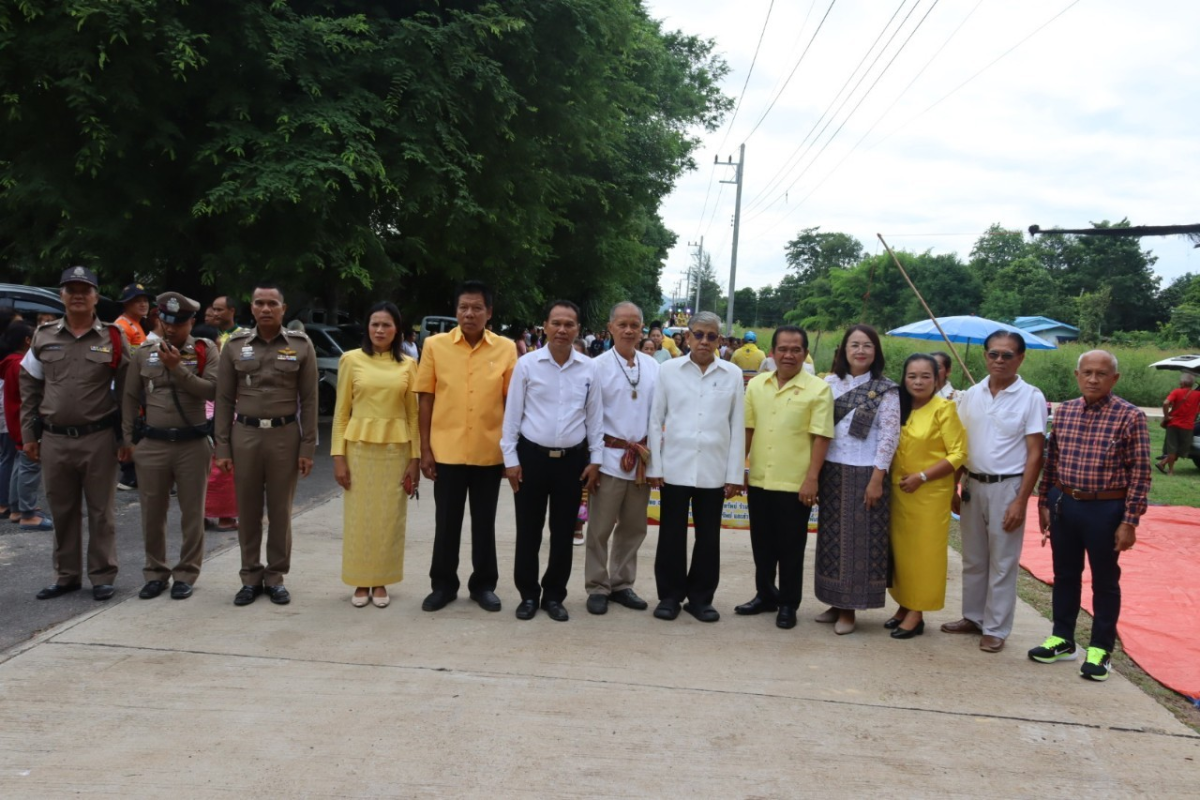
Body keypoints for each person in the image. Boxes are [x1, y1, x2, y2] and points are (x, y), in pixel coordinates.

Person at [1030, 350, 1150, 682]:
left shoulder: (1130, 416)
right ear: (1077, 374)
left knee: (1104, 581)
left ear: (1115, 378)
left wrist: (1130, 521)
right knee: (1064, 574)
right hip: (1064, 503)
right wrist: (1043, 501)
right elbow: (1051, 461)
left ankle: (1099, 648)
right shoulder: (1065, 412)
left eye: (1101, 373)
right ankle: (1062, 638)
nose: (1093, 379)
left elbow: (1140, 474)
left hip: (1105, 509)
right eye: (1087, 372)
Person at [21, 266, 131, 601]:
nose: (78, 295)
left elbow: (127, 391)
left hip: (98, 436)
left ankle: (102, 576)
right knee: (62, 509)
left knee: (102, 511)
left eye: (85, 289)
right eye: (71, 289)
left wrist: (127, 438)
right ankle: (66, 575)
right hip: (54, 438)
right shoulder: (44, 335)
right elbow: (30, 387)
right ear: (62, 296)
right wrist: (29, 434)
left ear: (96, 296)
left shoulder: (112, 337)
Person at [214, 284, 319, 606]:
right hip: (244, 436)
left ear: (283, 309)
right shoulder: (235, 345)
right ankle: (249, 576)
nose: (265, 308)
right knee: (246, 510)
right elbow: (224, 398)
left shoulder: (301, 346)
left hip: (284, 436)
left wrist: (307, 448)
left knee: (279, 512)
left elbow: (311, 399)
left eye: (272, 303)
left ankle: (275, 577)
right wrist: (222, 447)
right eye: (259, 302)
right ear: (252, 307)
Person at [416, 281, 517, 613]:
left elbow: (512, 403)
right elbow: (426, 399)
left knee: (484, 522)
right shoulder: (434, 345)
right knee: (446, 523)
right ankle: (443, 585)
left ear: (489, 312)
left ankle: (483, 585)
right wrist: (425, 451)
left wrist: (510, 453)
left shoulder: (505, 349)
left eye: (476, 308)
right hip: (446, 451)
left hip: (489, 452)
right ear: (456, 310)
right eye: (463, 307)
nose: (469, 314)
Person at [943, 330, 1046, 653]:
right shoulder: (972, 395)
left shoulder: (1031, 397)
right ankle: (973, 617)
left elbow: (1035, 453)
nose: (999, 360)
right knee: (974, 558)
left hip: (1008, 487)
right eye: (993, 354)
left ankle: (996, 627)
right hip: (973, 484)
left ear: (1021, 358)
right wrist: (953, 485)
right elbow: (960, 446)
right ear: (985, 356)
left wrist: (1021, 500)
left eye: (1007, 355)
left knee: (1002, 561)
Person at [501, 300, 602, 621]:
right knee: (528, 532)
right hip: (532, 459)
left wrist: (595, 460)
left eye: (569, 324)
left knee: (563, 534)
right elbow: (512, 416)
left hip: (572, 463)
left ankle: (554, 595)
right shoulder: (528, 365)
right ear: (544, 326)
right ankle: (528, 595)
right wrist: (510, 459)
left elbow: (595, 419)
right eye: (556, 323)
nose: (562, 329)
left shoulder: (589, 369)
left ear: (578, 330)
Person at [647, 311, 745, 623]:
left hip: (714, 470)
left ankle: (701, 599)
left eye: (711, 336)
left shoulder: (731, 374)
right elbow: (654, 420)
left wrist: (734, 475)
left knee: (708, 538)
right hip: (675, 467)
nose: (704, 341)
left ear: (720, 340)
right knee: (671, 535)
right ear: (687, 337)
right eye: (699, 334)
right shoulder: (669, 371)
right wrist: (655, 465)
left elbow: (737, 424)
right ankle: (670, 596)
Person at [121, 292, 217, 601]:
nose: (172, 329)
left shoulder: (205, 350)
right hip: (153, 443)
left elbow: (212, 391)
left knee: (192, 513)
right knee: (152, 512)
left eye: (180, 323)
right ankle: (155, 572)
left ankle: (186, 573)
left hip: (192, 444)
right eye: (167, 323)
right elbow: (130, 397)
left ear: (192, 322)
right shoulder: (144, 352)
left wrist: (178, 368)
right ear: (160, 320)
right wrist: (128, 440)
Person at [738, 326, 833, 629]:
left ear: (806, 354)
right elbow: (748, 429)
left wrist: (812, 479)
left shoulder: (818, 389)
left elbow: (821, 438)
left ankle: (789, 603)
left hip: (795, 483)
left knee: (791, 548)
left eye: (795, 349)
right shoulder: (756, 385)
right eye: (782, 349)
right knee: (762, 545)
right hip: (760, 479)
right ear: (772, 352)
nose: (788, 355)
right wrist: (739, 468)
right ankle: (765, 595)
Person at [332, 302, 421, 609]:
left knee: (388, 519)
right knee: (359, 519)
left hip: (396, 451)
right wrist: (338, 457)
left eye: (386, 325)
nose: (380, 330)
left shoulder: (408, 365)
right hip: (358, 450)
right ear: (367, 328)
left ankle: (381, 580)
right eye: (374, 325)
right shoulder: (350, 360)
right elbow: (341, 414)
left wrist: (415, 460)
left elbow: (413, 416)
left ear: (397, 330)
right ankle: (360, 580)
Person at [813, 325, 900, 635]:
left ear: (875, 351)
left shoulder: (886, 389)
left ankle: (850, 610)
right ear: (844, 350)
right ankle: (835, 601)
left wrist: (878, 478)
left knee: (859, 544)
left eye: (867, 345)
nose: (861, 350)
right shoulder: (828, 384)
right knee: (832, 543)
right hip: (833, 472)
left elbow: (889, 436)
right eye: (855, 345)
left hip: (866, 473)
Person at [583, 301, 659, 615]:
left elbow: (658, 417)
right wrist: (595, 461)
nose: (629, 331)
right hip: (609, 457)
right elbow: (592, 418)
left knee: (633, 527)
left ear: (642, 329)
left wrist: (656, 460)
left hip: (641, 460)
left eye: (634, 325)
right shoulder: (596, 366)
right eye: (622, 325)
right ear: (611, 327)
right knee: (599, 528)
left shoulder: (654, 367)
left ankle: (622, 583)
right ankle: (597, 586)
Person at [885, 354, 968, 638]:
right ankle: (904, 604)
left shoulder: (944, 409)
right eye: (912, 376)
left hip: (929, 494)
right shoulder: (899, 407)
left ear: (938, 378)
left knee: (923, 554)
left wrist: (923, 477)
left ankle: (917, 613)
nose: (918, 382)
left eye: (925, 376)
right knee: (901, 553)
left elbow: (959, 453)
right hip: (899, 493)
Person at [2, 321, 51, 530]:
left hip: (16, 419)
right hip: (25, 421)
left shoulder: (10, 362)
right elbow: (29, 395)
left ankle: (17, 508)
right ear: (27, 341)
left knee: (20, 463)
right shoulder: (20, 364)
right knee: (30, 465)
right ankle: (27, 513)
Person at [1155, 372, 1198, 475]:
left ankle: (1165, 465)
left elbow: (1166, 402)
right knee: (1183, 449)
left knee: (1172, 448)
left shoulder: (1176, 392)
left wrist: (1166, 416)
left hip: (1173, 424)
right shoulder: (1197, 395)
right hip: (1187, 426)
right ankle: (1168, 468)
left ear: (1182, 382)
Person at [114, 282, 152, 349]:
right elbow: (124, 356)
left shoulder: (135, 322)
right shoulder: (122, 326)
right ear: (126, 303)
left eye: (145, 301)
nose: (143, 305)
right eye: (138, 301)